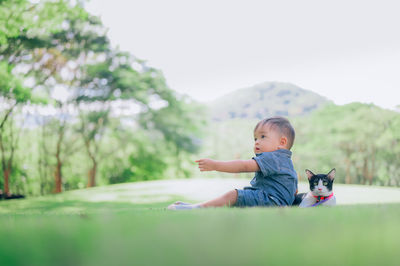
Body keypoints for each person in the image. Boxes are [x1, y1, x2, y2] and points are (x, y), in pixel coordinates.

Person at [167, 116, 298, 210]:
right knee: (238, 199)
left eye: (263, 137)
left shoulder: (272, 157)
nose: (257, 142)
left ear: (282, 142)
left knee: (234, 195)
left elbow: (244, 166)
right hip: (275, 202)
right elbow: (294, 188)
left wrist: (215, 165)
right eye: (255, 138)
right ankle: (196, 206)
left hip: (270, 201)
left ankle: (197, 208)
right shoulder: (286, 162)